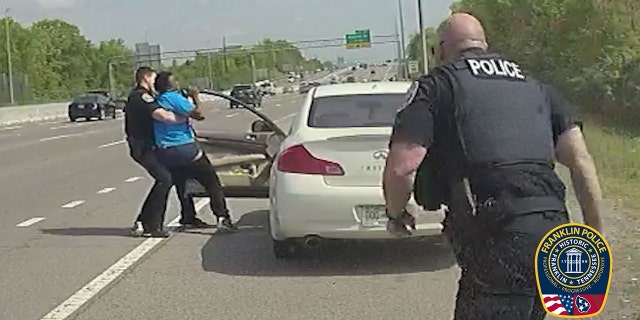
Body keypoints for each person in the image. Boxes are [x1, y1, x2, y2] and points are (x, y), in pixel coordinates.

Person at [381, 13, 603, 320]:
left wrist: (395, 214)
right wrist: (595, 239)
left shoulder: (437, 85)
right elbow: (581, 162)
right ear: (484, 45)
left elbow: (403, 167)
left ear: (440, 51)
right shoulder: (536, 86)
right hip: (553, 232)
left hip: (498, 238)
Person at [125, 67, 211, 238]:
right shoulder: (142, 97)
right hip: (143, 148)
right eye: (153, 79)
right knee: (165, 179)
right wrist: (184, 116)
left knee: (173, 177)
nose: (155, 84)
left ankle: (149, 221)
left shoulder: (140, 96)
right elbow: (164, 117)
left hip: (147, 146)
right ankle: (150, 225)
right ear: (146, 78)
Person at [152, 71, 237, 231]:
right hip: (184, 147)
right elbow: (198, 114)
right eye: (174, 80)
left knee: (181, 182)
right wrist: (196, 96)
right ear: (169, 85)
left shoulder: (158, 100)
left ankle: (188, 216)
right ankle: (222, 217)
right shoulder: (174, 98)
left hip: (165, 150)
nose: (177, 82)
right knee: (211, 181)